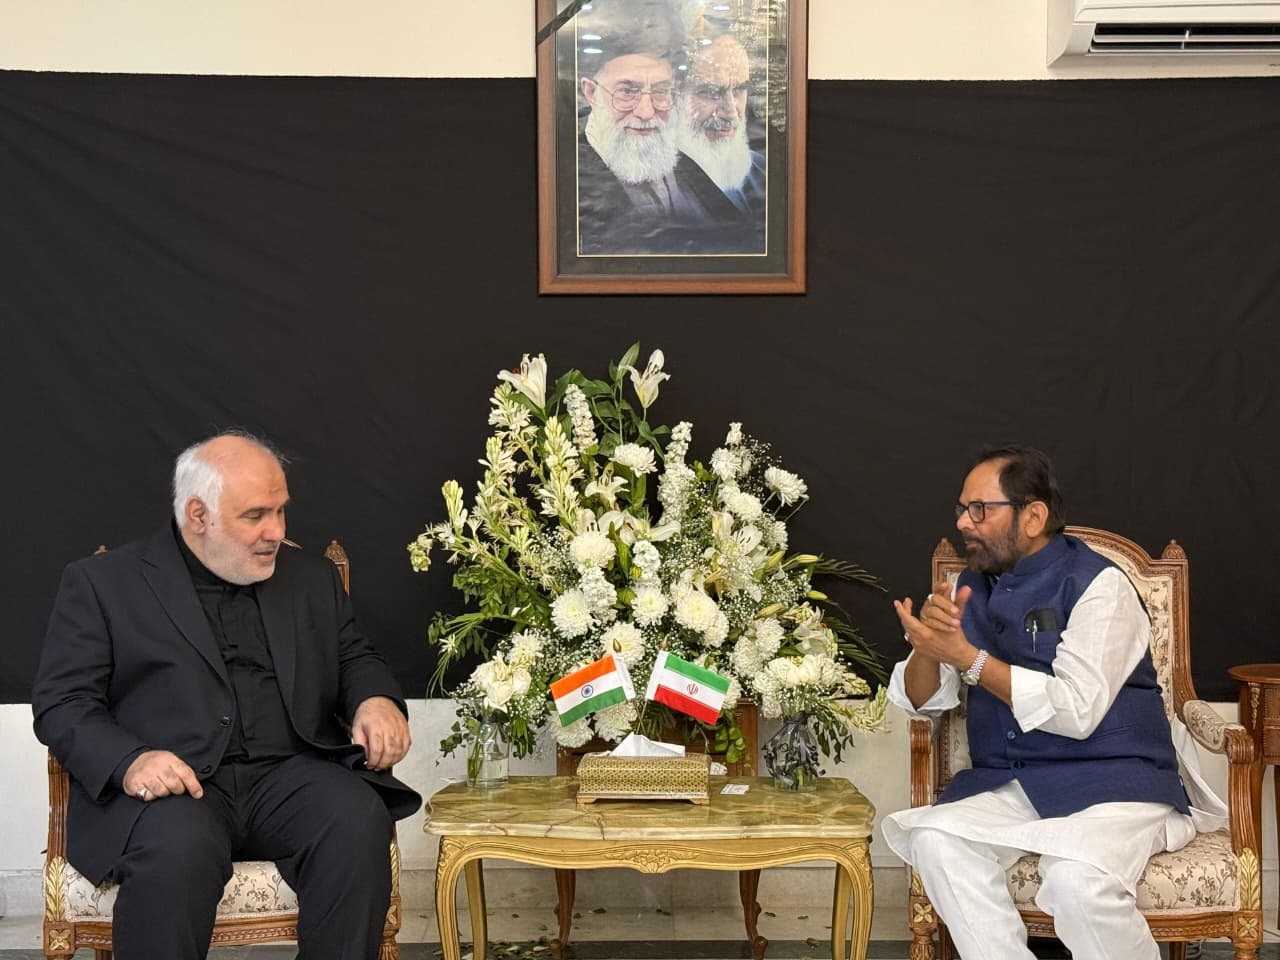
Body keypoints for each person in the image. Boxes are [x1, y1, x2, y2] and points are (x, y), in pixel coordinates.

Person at [31, 431, 422, 960]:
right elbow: (63, 703)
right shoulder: (103, 583)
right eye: (256, 515)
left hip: (290, 775)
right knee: (177, 850)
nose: (276, 531)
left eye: (281, 511)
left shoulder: (311, 578)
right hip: (176, 788)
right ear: (198, 515)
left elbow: (354, 657)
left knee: (356, 819)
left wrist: (375, 700)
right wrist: (131, 761)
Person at [883, 444, 1223, 960]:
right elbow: (922, 700)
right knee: (936, 840)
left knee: (1076, 883)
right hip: (1017, 782)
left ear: (1034, 516)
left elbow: (1076, 710)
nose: (964, 523)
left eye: (980, 509)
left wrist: (969, 658)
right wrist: (928, 648)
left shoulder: (1100, 586)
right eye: (962, 508)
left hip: (1115, 783)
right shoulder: (968, 587)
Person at [576, 2, 750, 255]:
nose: (646, 112)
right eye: (627, 91)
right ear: (591, 92)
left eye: (660, 91)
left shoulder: (684, 165)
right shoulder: (567, 179)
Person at [674, 34, 766, 226]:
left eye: (739, 90)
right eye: (712, 92)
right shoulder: (656, 186)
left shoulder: (762, 171)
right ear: (676, 96)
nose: (731, 112)